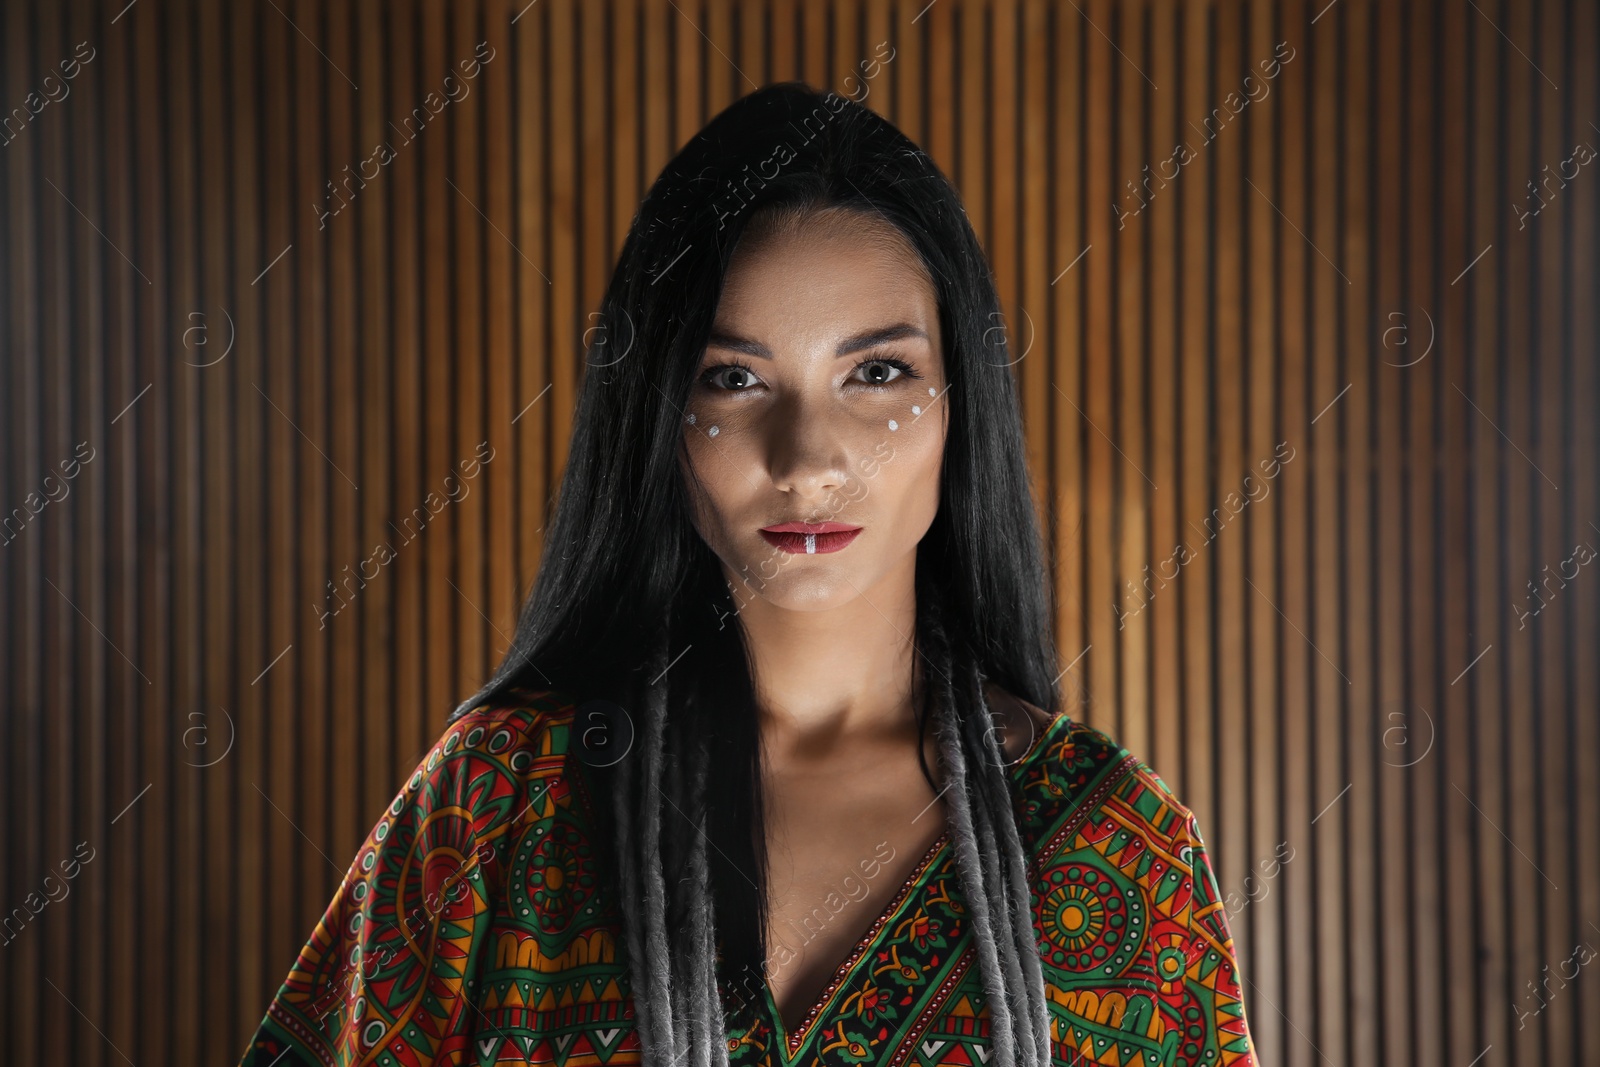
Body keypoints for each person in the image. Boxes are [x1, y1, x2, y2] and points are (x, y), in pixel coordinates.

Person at [237, 81, 1258, 1067]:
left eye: (877, 373)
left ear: (961, 408)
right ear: (660, 421)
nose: (807, 456)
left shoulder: (1116, 839)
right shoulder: (496, 802)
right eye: (733, 379)